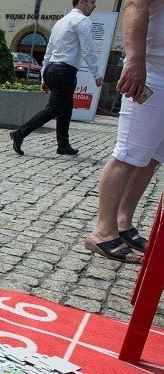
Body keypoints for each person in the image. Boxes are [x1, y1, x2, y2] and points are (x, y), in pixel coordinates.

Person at [86, 0, 161, 263]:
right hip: (152, 69)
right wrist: (135, 61)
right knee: (128, 153)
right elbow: (135, 4)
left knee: (151, 157)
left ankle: (123, 222)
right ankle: (104, 231)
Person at [9, 0, 104, 157]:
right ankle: (20, 132)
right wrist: (96, 74)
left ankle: (63, 145)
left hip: (52, 68)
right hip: (65, 71)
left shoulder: (61, 22)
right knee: (54, 109)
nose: (94, 6)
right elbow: (88, 50)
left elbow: (49, 51)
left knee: (65, 108)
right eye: (92, 2)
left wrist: (44, 77)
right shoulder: (82, 21)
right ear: (82, 2)